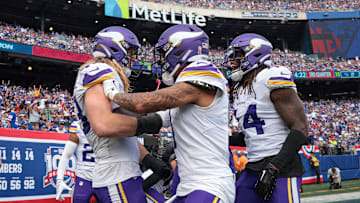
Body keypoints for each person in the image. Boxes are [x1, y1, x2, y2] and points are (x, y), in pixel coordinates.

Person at [102, 24, 235, 203]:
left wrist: (113, 94)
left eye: (164, 53)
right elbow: (151, 122)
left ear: (180, 51)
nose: (161, 60)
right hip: (188, 186)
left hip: (210, 185)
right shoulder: (183, 90)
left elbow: (145, 104)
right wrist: (109, 124)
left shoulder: (204, 71)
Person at [73, 26, 171, 202]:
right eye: (131, 52)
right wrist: (155, 121)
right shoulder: (99, 70)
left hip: (125, 172)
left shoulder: (108, 75)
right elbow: (104, 125)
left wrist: (149, 160)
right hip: (115, 174)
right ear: (115, 49)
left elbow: (123, 134)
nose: (132, 58)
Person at [224, 33, 309, 202]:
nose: (232, 62)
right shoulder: (242, 90)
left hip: (282, 166)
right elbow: (253, 134)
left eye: (237, 56)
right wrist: (219, 138)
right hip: (254, 165)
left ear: (254, 54)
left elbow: (301, 129)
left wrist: (274, 167)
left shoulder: (271, 76)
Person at [56, 120, 97, 202]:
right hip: (84, 177)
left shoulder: (108, 125)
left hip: (105, 178)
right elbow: (66, 155)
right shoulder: (78, 127)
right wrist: (59, 180)